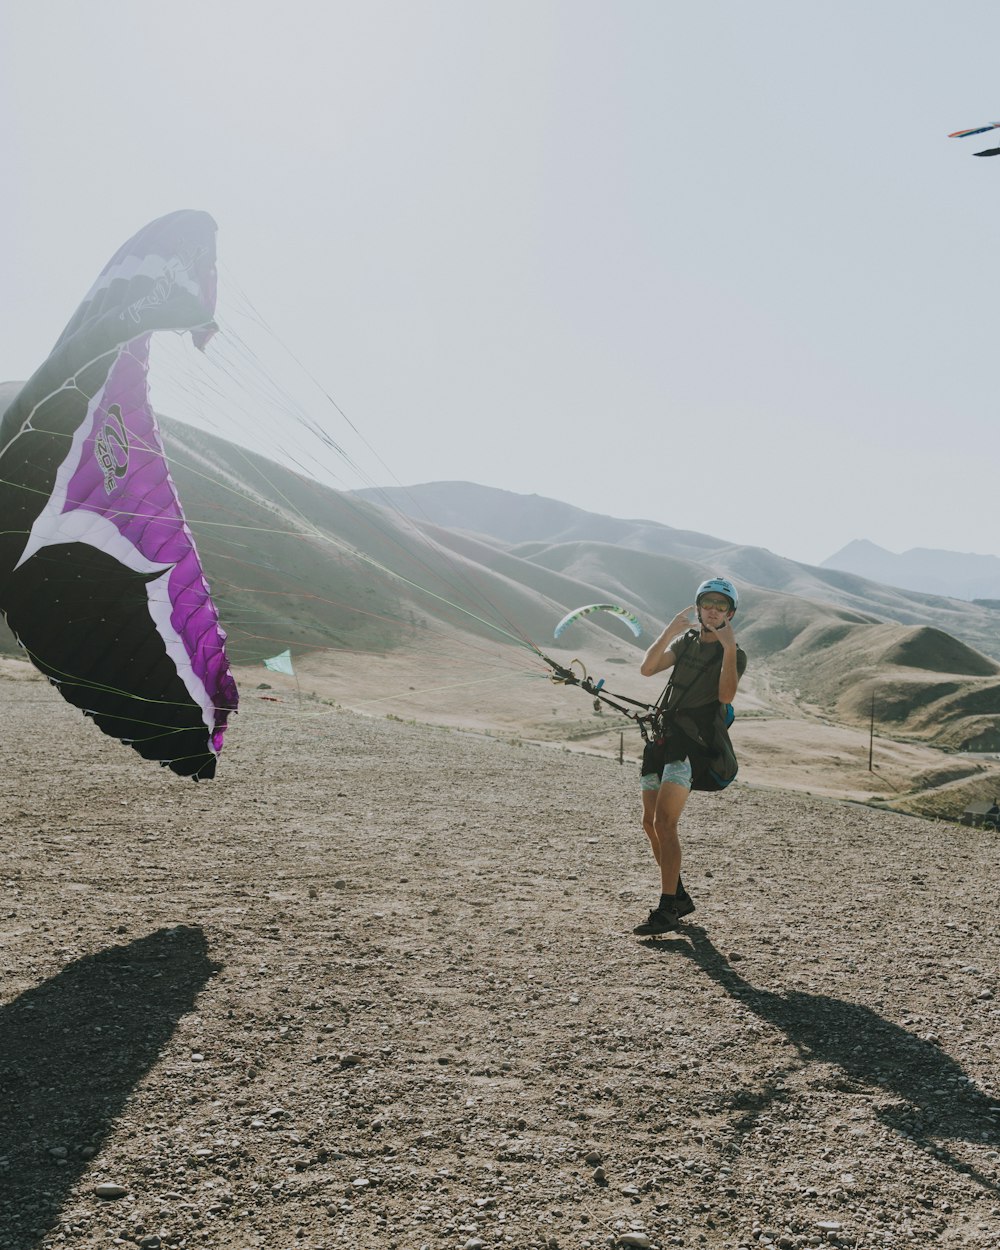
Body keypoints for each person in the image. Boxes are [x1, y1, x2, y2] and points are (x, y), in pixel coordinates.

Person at [633, 577, 747, 936]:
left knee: (666, 823)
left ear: (730, 613)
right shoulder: (685, 642)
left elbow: (726, 697)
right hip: (662, 739)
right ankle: (678, 895)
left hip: (691, 745)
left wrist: (728, 650)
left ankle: (668, 908)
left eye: (721, 606)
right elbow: (648, 669)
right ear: (698, 607)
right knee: (649, 823)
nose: (713, 611)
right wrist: (669, 630)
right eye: (707, 604)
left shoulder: (735, 654)